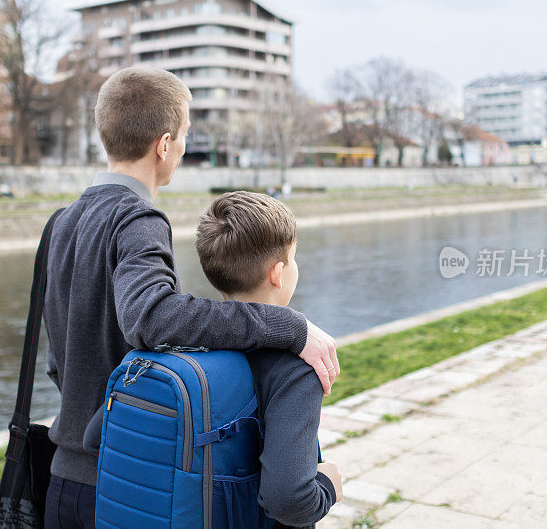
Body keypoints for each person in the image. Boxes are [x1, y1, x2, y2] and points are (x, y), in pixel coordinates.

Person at [41, 67, 340, 528]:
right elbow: (153, 318)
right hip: (129, 478)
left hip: (63, 479)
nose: (182, 148)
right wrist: (289, 328)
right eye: (182, 136)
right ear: (164, 144)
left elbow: (58, 361)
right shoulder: (138, 217)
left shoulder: (62, 222)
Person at [194, 190, 344, 527]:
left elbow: (95, 437)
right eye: (294, 257)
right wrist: (328, 486)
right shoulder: (294, 369)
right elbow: (289, 501)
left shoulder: (188, 343)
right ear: (278, 273)